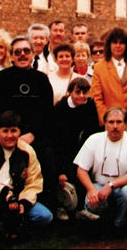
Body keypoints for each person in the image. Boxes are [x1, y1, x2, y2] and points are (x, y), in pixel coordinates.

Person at [0, 36, 58, 212]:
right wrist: (11, 135)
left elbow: (47, 114)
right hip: (7, 137)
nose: (22, 55)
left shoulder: (41, 80)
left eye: (26, 51)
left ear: (33, 54)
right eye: (17, 52)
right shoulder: (1, 79)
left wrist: (33, 134)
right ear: (11, 56)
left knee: (48, 162)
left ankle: (44, 207)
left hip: (36, 136)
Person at [0, 110, 53, 246]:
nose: (9, 135)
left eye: (13, 131)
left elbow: (34, 183)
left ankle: (11, 228)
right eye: (5, 131)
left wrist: (24, 203)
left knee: (45, 216)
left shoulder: (27, 151)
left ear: (19, 132)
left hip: (17, 198)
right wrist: (4, 194)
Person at [74, 107, 127, 235]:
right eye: (111, 122)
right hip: (99, 184)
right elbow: (81, 170)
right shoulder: (94, 139)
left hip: (124, 186)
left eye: (119, 122)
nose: (115, 126)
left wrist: (111, 185)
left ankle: (120, 223)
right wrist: (91, 189)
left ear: (125, 124)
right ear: (105, 124)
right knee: (90, 201)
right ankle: (105, 222)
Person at [52, 77, 101, 221]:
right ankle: (62, 208)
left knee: (82, 174)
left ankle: (81, 209)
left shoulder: (90, 104)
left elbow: (92, 130)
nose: (81, 96)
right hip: (63, 147)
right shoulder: (61, 107)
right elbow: (57, 138)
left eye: (85, 93)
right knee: (65, 177)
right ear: (70, 92)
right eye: (77, 92)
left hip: (82, 146)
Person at [90, 27, 127, 125]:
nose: (118, 46)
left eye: (122, 43)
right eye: (114, 42)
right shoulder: (99, 68)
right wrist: (107, 119)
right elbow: (97, 97)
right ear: (109, 45)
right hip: (109, 122)